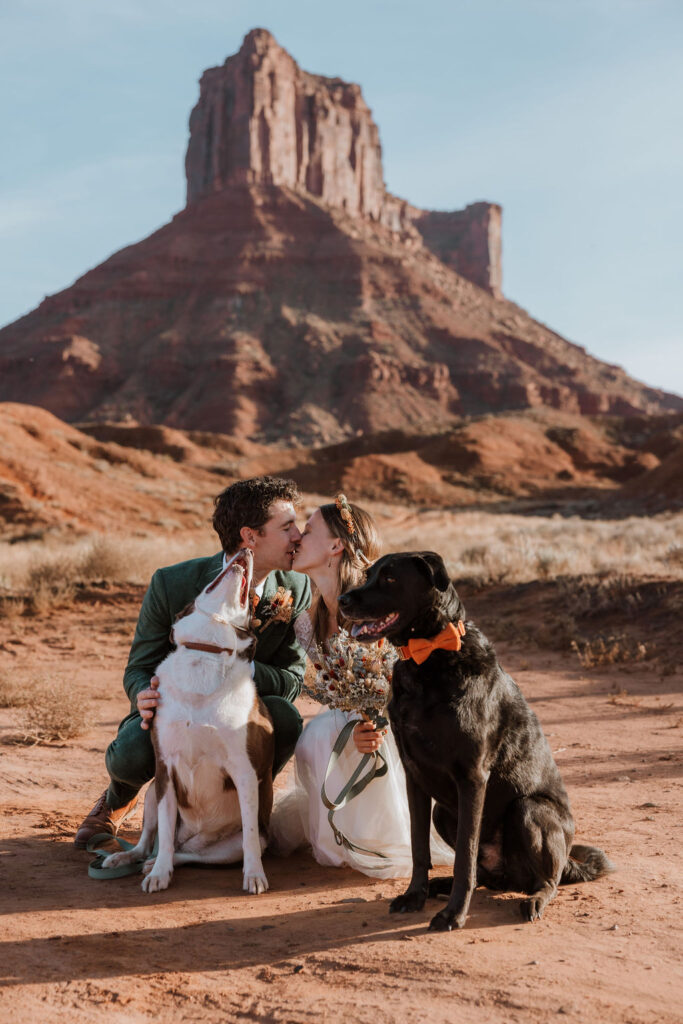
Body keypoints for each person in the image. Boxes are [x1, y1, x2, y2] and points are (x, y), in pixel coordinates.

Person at [74, 476, 311, 849]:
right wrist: (144, 696)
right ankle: (119, 800)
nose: (299, 535)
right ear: (250, 537)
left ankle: (239, 817)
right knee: (132, 753)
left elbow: (292, 679)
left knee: (284, 717)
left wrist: (237, 669)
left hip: (240, 715)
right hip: (177, 709)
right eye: (287, 527)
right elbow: (138, 668)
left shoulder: (297, 589)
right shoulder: (172, 583)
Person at [271, 494, 452, 879]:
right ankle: (339, 834)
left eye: (308, 529)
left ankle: (381, 833)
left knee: (324, 732)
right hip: (346, 720)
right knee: (319, 734)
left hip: (397, 725)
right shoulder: (308, 618)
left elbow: (414, 672)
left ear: (336, 546)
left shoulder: (379, 604)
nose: (298, 538)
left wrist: (379, 721)